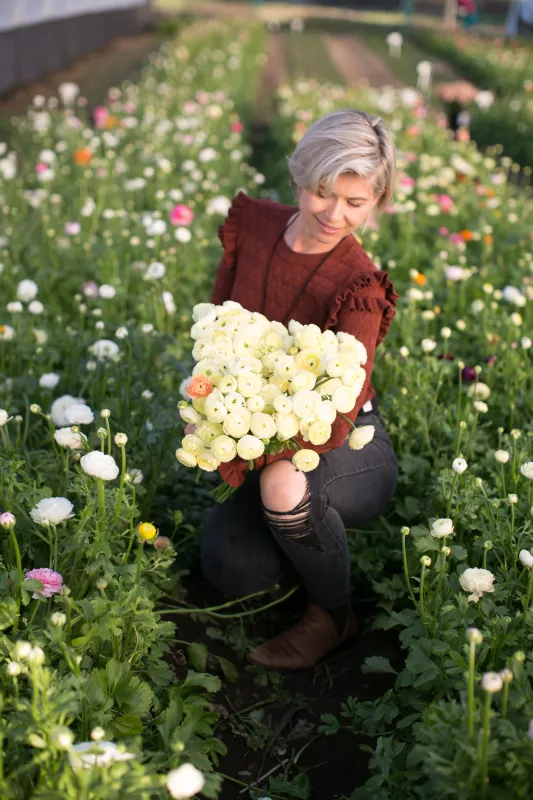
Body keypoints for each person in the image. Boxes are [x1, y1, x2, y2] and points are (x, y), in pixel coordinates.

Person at [199, 110, 399, 671]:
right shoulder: (256, 226)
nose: (336, 215)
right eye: (322, 193)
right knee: (234, 571)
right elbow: (216, 330)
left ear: (377, 203)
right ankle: (306, 539)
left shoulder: (358, 284)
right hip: (261, 429)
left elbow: (335, 418)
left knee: (283, 484)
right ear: (299, 178)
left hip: (348, 443)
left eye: (356, 203)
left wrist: (243, 449)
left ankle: (333, 614)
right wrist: (209, 412)